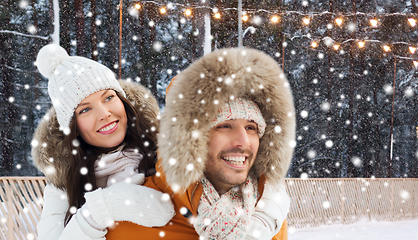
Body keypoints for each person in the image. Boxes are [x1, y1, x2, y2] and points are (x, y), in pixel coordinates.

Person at [105, 47, 296, 239]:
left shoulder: (265, 216)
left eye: (251, 128)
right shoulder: (132, 217)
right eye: (225, 126)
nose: (243, 141)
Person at [32, 44, 174, 240]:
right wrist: (99, 210)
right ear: (74, 129)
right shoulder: (64, 181)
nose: (104, 114)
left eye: (108, 97)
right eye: (85, 110)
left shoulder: (165, 152)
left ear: (122, 101)